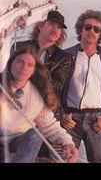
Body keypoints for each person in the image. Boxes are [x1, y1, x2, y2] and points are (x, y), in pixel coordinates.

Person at [61, 9, 101, 163]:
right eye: (88, 27)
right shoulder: (66, 56)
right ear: (81, 29)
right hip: (70, 119)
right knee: (63, 159)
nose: (92, 31)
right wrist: (61, 114)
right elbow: (55, 90)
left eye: (97, 29)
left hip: (96, 120)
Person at [0, 46, 78, 163]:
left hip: (18, 140)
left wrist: (68, 142)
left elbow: (48, 126)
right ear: (10, 64)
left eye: (29, 65)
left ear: (33, 71)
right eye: (19, 62)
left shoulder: (37, 95)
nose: (23, 67)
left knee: (36, 134)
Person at [13, 9, 73, 158]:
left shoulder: (63, 58)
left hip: (46, 113)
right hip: (15, 112)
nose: (55, 29)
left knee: (43, 156)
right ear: (40, 25)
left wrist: (26, 72)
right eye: (52, 24)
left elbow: (56, 86)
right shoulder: (18, 46)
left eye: (59, 27)